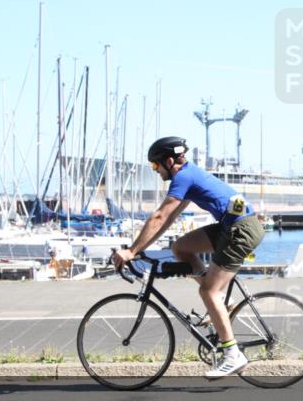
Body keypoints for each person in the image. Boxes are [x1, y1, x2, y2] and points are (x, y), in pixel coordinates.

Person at [111, 136, 265, 379]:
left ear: (169, 161)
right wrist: (140, 247)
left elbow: (160, 216)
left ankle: (232, 354)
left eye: (155, 165)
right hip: (233, 225)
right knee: (181, 248)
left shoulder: (183, 177)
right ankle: (223, 301)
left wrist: (131, 251)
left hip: (240, 230)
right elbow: (169, 218)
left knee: (207, 292)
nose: (156, 170)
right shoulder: (189, 176)